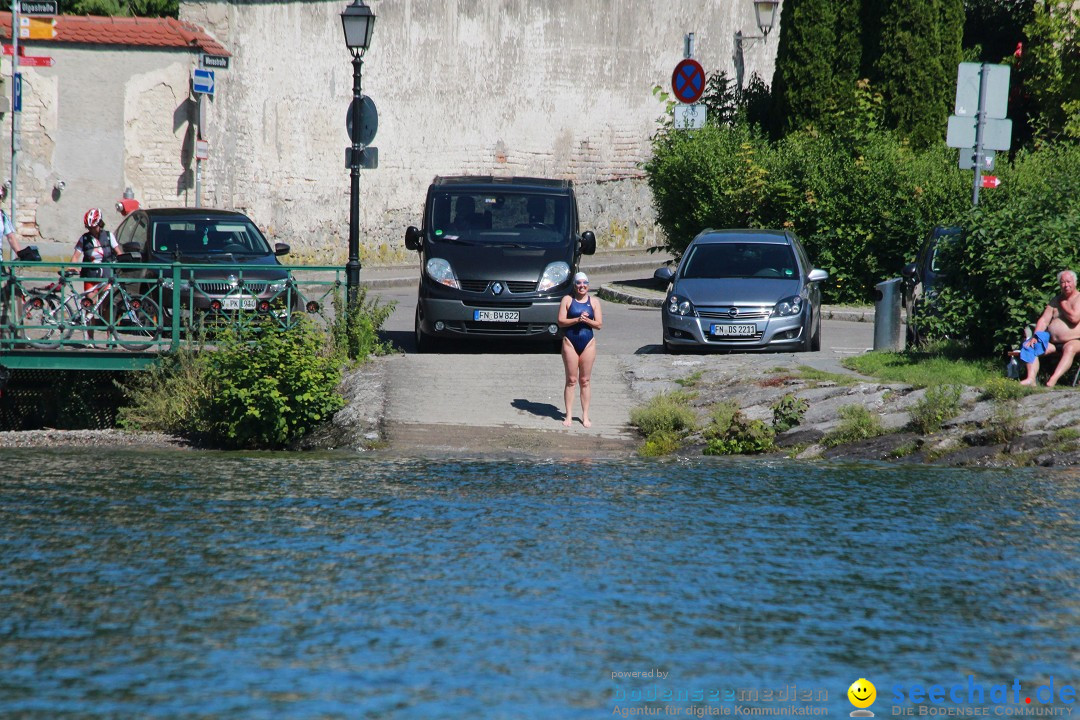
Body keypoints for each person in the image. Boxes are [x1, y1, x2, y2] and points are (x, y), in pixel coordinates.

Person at [1019, 269, 1080, 387]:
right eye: (1063, 282)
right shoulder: (1055, 300)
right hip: (1053, 342)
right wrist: (1035, 336)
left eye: (1069, 281)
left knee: (1070, 348)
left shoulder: (1078, 298)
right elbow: (1044, 320)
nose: (1066, 285)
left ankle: (1052, 380)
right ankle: (1031, 379)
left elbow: (1074, 318)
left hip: (1075, 340)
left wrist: (1063, 304)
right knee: (1029, 345)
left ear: (1075, 282)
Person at [69, 208, 121, 345]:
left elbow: (119, 252)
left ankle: (110, 337)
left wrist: (124, 262)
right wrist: (71, 267)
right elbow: (75, 256)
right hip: (90, 275)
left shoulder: (109, 236)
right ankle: (90, 338)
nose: (92, 230)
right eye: (89, 227)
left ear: (100, 224)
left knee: (108, 306)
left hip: (106, 276)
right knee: (90, 306)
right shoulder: (84, 238)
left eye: (94, 227)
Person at [558, 271, 603, 427]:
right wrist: (577, 319)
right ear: (575, 285)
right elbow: (561, 321)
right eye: (579, 283)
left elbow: (599, 325)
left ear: (588, 285)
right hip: (570, 342)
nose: (582, 286)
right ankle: (568, 415)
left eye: (585, 283)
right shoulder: (567, 300)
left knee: (585, 380)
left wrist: (587, 320)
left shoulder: (594, 302)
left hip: (588, 343)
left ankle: (585, 416)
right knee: (571, 380)